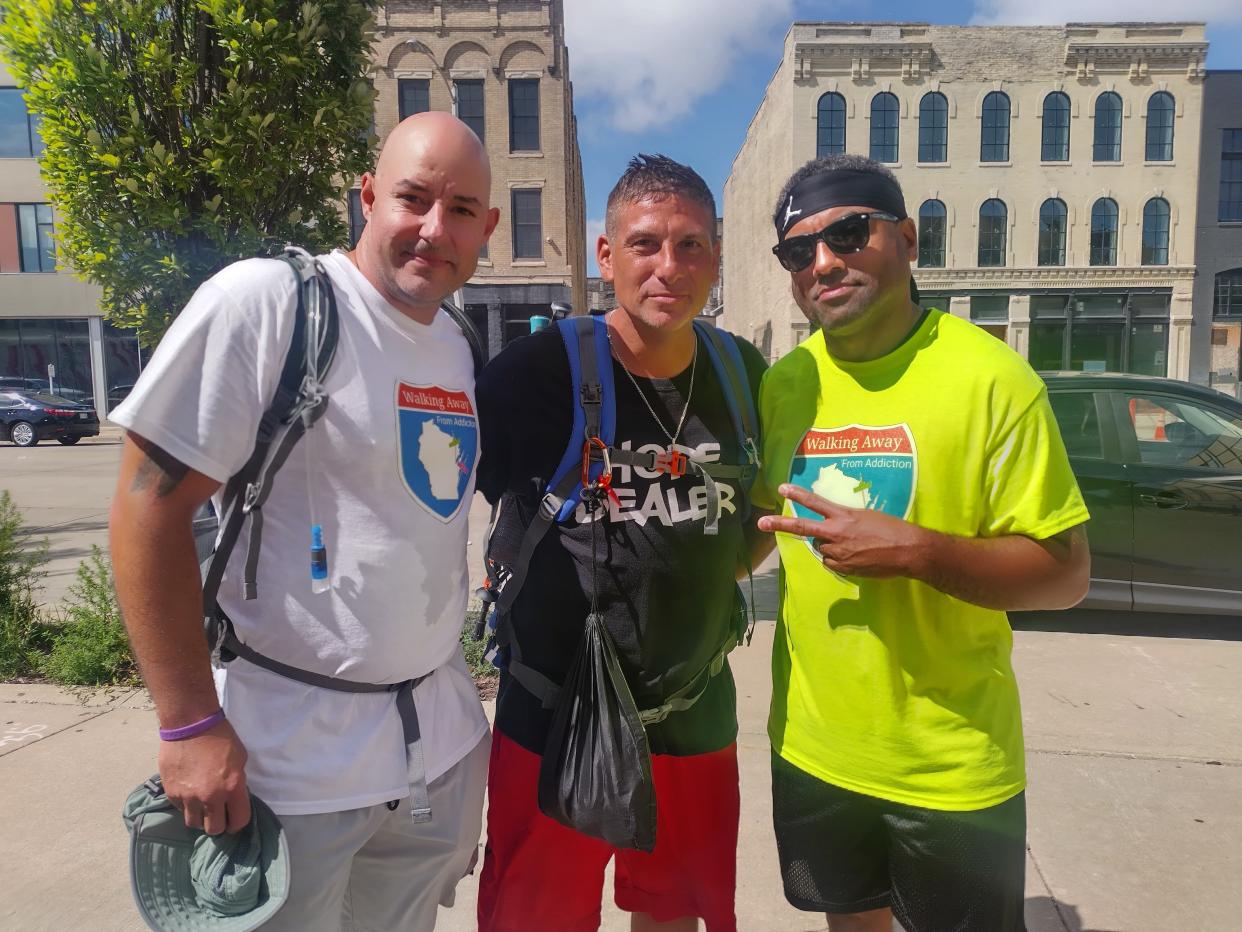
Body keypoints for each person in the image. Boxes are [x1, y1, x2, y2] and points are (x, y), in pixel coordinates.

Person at [108, 111, 499, 931]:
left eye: (461, 209)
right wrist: (187, 724)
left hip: (434, 758)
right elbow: (148, 505)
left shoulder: (459, 344)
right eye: (413, 198)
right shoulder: (271, 302)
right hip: (286, 769)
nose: (435, 229)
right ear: (365, 197)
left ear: (488, 227)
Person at [753, 154, 1092, 932]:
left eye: (846, 233)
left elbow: (1066, 574)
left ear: (906, 239)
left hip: (952, 766)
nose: (824, 262)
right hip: (816, 751)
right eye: (799, 251)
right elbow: (757, 531)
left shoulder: (993, 379)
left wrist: (918, 552)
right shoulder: (785, 384)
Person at [474, 154, 770, 932]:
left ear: (715, 253)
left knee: (672, 914)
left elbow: (747, 526)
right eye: (645, 244)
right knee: (538, 916)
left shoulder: (745, 373)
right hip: (554, 713)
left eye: (691, 245)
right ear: (606, 255)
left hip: (694, 711)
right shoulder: (531, 375)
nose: (668, 267)